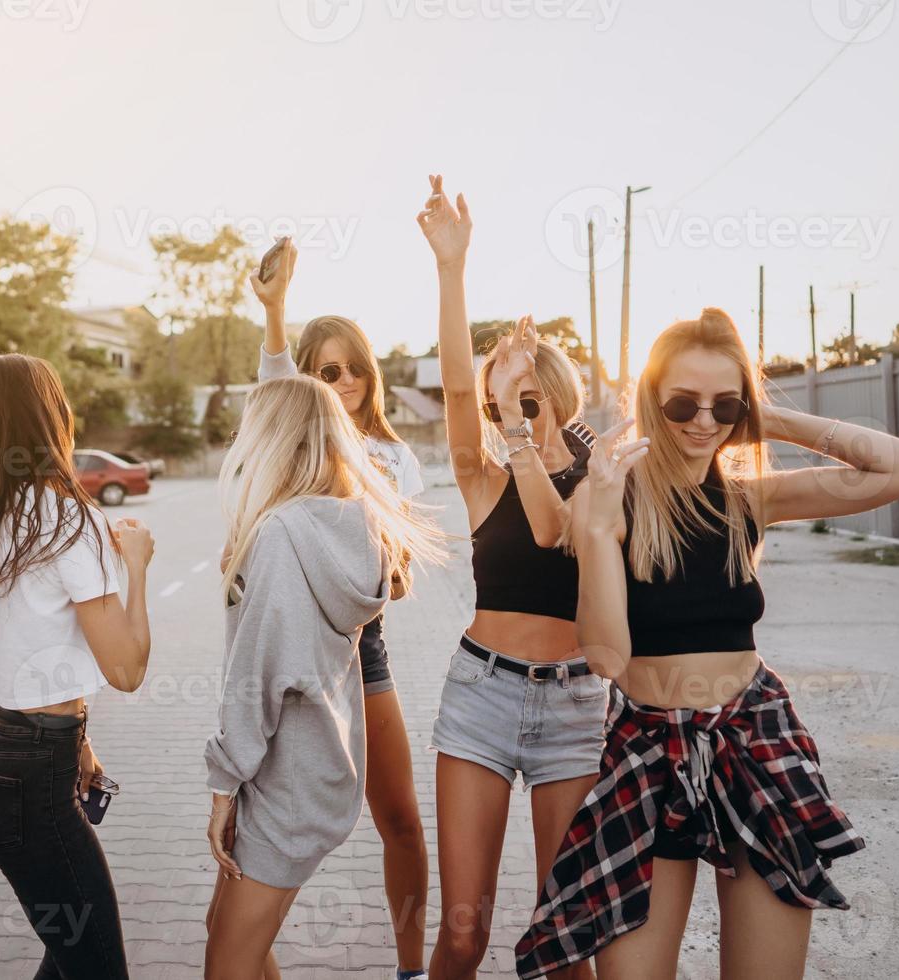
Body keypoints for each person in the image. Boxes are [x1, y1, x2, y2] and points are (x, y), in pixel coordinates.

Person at [517, 307, 899, 979]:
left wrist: (768, 416)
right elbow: (606, 658)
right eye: (682, 402)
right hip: (648, 752)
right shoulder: (607, 501)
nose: (702, 421)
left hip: (754, 741)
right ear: (650, 401)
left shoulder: (744, 501)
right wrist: (596, 524)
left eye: (723, 406)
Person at [415, 176, 604, 980]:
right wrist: (452, 269)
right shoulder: (482, 478)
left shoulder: (606, 480)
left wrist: (521, 421)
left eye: (530, 398)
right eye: (507, 403)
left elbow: (554, 528)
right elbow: (456, 387)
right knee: (463, 933)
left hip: (573, 707)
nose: (515, 413)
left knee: (564, 941)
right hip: (481, 697)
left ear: (558, 397)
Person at [203, 375, 448, 980]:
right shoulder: (352, 524)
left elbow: (259, 672)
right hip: (312, 761)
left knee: (225, 965)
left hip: (285, 777)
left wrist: (223, 781)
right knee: (228, 936)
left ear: (271, 440)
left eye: (248, 430)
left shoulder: (283, 533)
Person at [0, 353, 154, 979]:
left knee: (69, 956)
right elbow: (127, 670)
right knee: (97, 967)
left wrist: (80, 741)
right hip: (27, 779)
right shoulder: (66, 519)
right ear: (44, 419)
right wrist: (135, 565)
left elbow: (38, 647)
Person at [247, 238, 432, 980]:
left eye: (355, 367)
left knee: (401, 820)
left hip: (364, 648)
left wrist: (389, 567)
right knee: (269, 832)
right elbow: (270, 388)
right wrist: (273, 312)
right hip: (290, 649)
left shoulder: (393, 459)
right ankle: (246, 953)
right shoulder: (290, 442)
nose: (345, 380)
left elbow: (398, 574)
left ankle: (410, 969)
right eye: (327, 370)